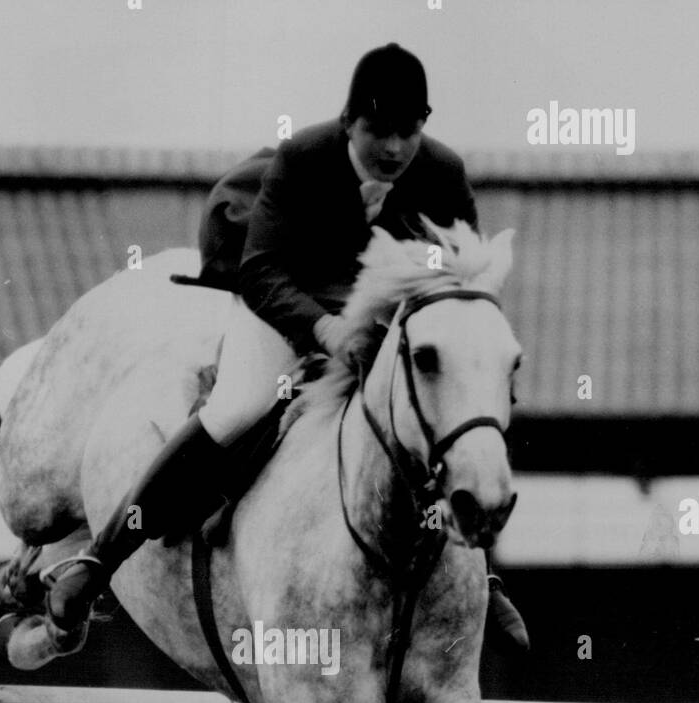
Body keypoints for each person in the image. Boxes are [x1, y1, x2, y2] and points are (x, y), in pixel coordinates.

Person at [43, 43, 528, 651]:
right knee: (240, 405)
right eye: (379, 130)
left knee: (445, 417)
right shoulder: (302, 158)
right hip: (283, 300)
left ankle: (481, 571)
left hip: (377, 317)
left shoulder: (444, 172)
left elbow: (464, 285)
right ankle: (98, 563)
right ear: (349, 121)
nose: (395, 149)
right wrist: (324, 332)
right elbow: (261, 270)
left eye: (409, 131)